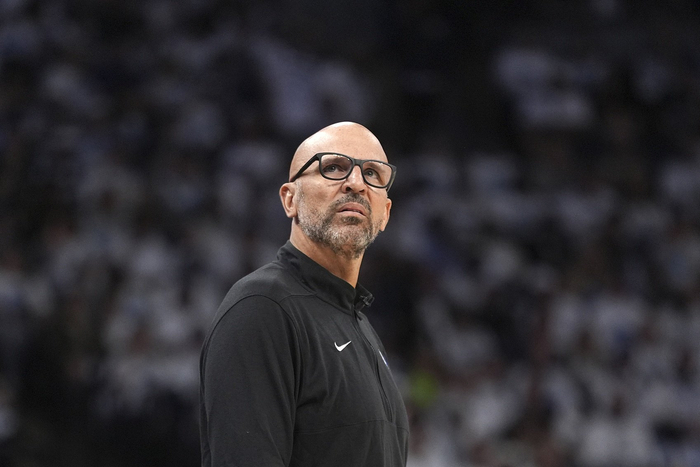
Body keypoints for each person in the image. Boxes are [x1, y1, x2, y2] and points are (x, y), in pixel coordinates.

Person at [199, 121, 409, 466]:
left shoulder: (361, 327)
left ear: (385, 213)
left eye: (372, 173)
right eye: (334, 167)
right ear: (290, 199)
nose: (356, 183)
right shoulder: (263, 307)